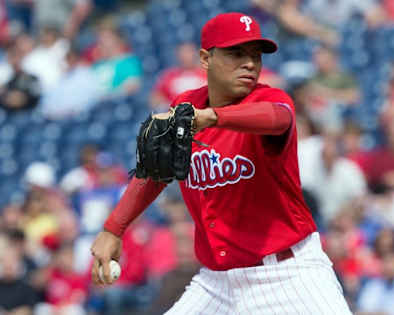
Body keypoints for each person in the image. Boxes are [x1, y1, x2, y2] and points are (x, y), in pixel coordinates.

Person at [90, 12, 352, 314]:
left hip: (288, 274)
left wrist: (214, 118)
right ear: (205, 58)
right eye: (236, 53)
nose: (250, 63)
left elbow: (279, 118)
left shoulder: (271, 100)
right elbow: (155, 172)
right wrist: (113, 229)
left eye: (256, 55)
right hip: (217, 283)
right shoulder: (184, 106)